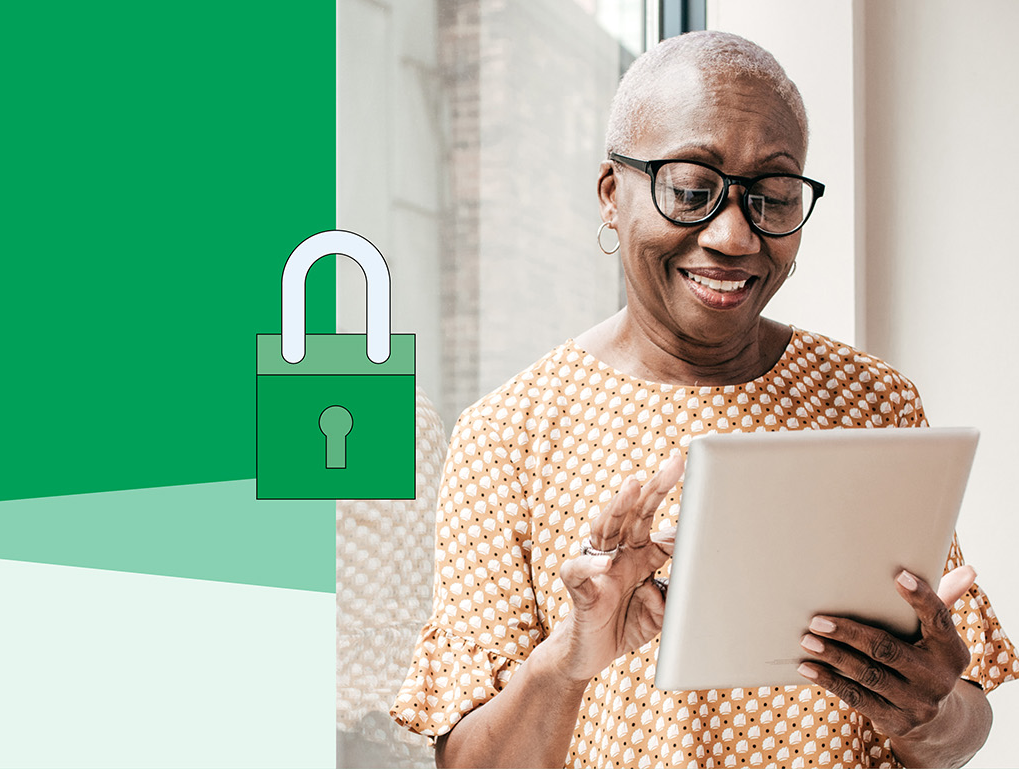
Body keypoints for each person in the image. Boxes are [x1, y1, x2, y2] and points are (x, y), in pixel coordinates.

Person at [390, 30, 1016, 769]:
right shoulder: (509, 434)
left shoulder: (873, 401)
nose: (733, 235)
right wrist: (569, 657)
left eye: (773, 197)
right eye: (690, 191)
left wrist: (929, 711)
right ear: (610, 196)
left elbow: (963, 725)